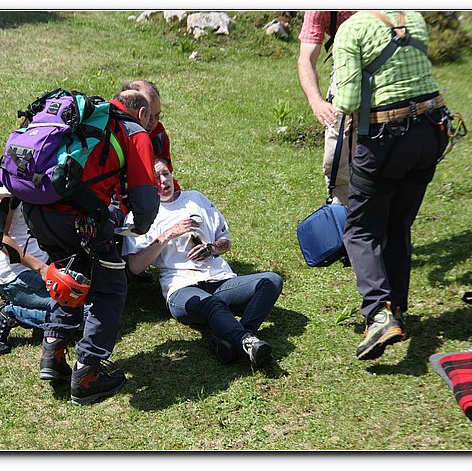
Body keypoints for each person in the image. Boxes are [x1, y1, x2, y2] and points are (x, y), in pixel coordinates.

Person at [22, 89, 159, 404]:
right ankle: (87, 373)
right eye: (152, 117)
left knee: (71, 277)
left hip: (38, 210)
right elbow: (144, 200)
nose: (152, 123)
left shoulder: (82, 119)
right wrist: (140, 225)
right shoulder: (133, 132)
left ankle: (53, 353)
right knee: (111, 289)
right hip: (80, 219)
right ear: (141, 113)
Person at [332, 11, 450, 360]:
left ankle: (378, 314)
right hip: (432, 128)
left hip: (387, 134)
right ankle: (396, 308)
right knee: (399, 222)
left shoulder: (351, 28)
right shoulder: (412, 16)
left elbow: (348, 101)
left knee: (361, 229)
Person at [122, 159, 284, 368]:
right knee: (212, 304)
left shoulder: (195, 199)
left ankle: (230, 341)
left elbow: (225, 241)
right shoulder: (139, 217)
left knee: (271, 281)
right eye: (155, 178)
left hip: (220, 281)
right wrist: (168, 235)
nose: (163, 181)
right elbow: (135, 267)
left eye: (165, 174)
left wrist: (212, 248)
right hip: (182, 289)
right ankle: (246, 341)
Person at [0, 174, 53, 355]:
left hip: (47, 261)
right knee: (87, 315)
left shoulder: (47, 170)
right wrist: (42, 269)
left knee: (97, 300)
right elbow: (0, 239)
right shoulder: (8, 182)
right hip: (18, 274)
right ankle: (9, 314)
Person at [297, 11, 356, 206]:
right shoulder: (320, 9)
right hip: (345, 71)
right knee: (336, 155)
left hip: (385, 73)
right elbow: (306, 59)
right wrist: (316, 101)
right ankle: (340, 209)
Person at [120, 79, 180, 192]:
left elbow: (167, 176)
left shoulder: (159, 136)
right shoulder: (114, 136)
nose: (153, 123)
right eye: (147, 115)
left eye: (157, 116)